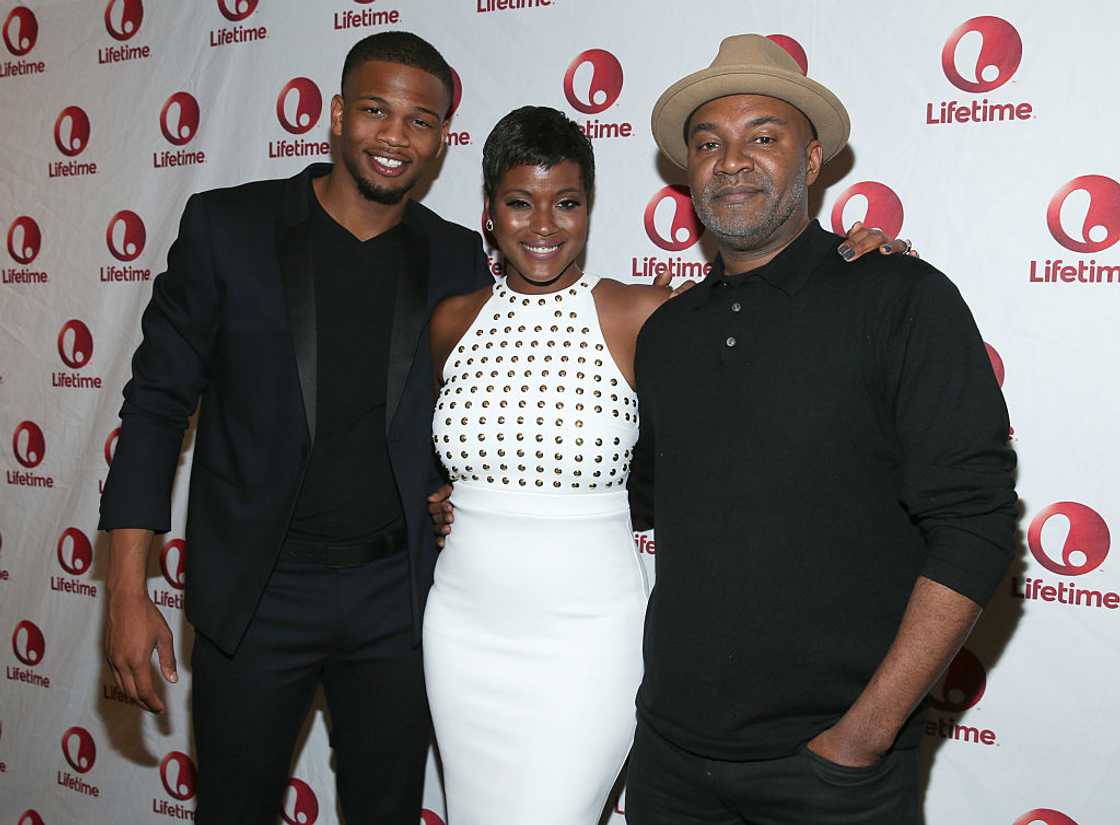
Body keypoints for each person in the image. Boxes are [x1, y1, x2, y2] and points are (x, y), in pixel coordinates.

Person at [421, 107, 910, 824]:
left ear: (590, 207)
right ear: (489, 213)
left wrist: (851, 262)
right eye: (519, 203)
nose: (544, 226)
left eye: (568, 203)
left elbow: (770, 324)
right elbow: (479, 448)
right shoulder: (451, 321)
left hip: (585, 636)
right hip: (462, 626)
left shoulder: (644, 313)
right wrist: (455, 497)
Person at [622, 35, 1018, 825]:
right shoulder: (666, 334)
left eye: (762, 137)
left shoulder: (899, 297)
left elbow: (976, 524)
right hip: (668, 760)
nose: (731, 161)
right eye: (709, 143)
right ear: (687, 171)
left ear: (810, 162)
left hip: (831, 771)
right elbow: (636, 496)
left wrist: (864, 737)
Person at [99, 32, 493, 824]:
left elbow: (476, 413)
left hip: (396, 599)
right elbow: (153, 408)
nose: (395, 136)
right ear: (338, 114)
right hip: (256, 592)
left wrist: (463, 487)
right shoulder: (227, 229)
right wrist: (124, 589)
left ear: (442, 139)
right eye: (377, 111)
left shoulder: (456, 258)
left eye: (421, 121)